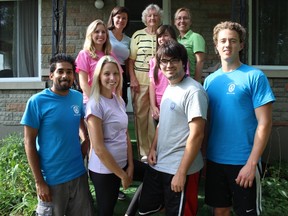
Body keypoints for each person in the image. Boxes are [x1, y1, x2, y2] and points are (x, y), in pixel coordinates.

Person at [203, 21, 275, 216]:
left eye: (233, 41)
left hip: (243, 161)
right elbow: (207, 124)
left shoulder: (254, 76)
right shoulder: (210, 81)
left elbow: (265, 123)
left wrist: (252, 163)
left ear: (241, 45)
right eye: (223, 41)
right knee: (220, 211)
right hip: (215, 160)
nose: (227, 45)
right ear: (216, 46)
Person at [138, 41, 208, 216]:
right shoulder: (170, 88)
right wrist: (154, 148)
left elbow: (197, 134)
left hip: (180, 168)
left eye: (174, 60)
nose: (168, 65)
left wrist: (181, 173)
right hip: (160, 163)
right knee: (150, 207)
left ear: (183, 62)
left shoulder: (193, 91)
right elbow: (163, 123)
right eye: (164, 61)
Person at [20, 54, 93, 216]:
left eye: (69, 72)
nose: (65, 76)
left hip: (78, 175)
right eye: (60, 71)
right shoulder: (37, 102)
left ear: (74, 75)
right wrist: (39, 181)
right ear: (51, 75)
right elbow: (29, 143)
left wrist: (86, 141)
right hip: (52, 180)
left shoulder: (78, 97)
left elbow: (81, 124)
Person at [85, 55, 134, 216]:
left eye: (116, 73)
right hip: (104, 170)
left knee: (152, 175)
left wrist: (131, 165)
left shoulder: (118, 99)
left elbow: (125, 133)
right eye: (107, 74)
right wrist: (122, 176)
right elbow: (98, 148)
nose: (112, 78)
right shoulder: (95, 104)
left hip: (122, 164)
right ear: (99, 75)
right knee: (106, 211)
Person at [128, 4, 163, 161]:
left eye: (155, 15)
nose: (152, 18)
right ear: (145, 18)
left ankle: (156, 149)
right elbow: (131, 60)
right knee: (141, 116)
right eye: (149, 16)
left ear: (159, 18)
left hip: (159, 81)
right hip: (140, 81)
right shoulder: (137, 35)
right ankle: (144, 152)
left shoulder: (163, 34)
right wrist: (133, 79)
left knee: (156, 116)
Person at [75, 19, 115, 106]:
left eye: (103, 32)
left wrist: (117, 101)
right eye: (97, 32)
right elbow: (83, 83)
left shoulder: (111, 55)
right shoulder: (84, 54)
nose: (100, 35)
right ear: (91, 34)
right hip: (92, 102)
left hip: (110, 101)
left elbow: (117, 81)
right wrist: (97, 102)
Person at [174, 7, 206, 82]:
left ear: (190, 22)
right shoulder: (176, 40)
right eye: (179, 18)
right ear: (175, 22)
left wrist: (196, 81)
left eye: (185, 18)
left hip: (190, 80)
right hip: (178, 81)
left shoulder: (195, 37)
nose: (182, 21)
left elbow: (200, 61)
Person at [107, 6, 131, 105]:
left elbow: (128, 60)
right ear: (113, 18)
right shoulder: (106, 34)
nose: (121, 20)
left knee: (122, 101)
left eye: (124, 18)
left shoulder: (128, 39)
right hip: (107, 70)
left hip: (122, 72)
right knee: (108, 99)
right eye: (118, 17)